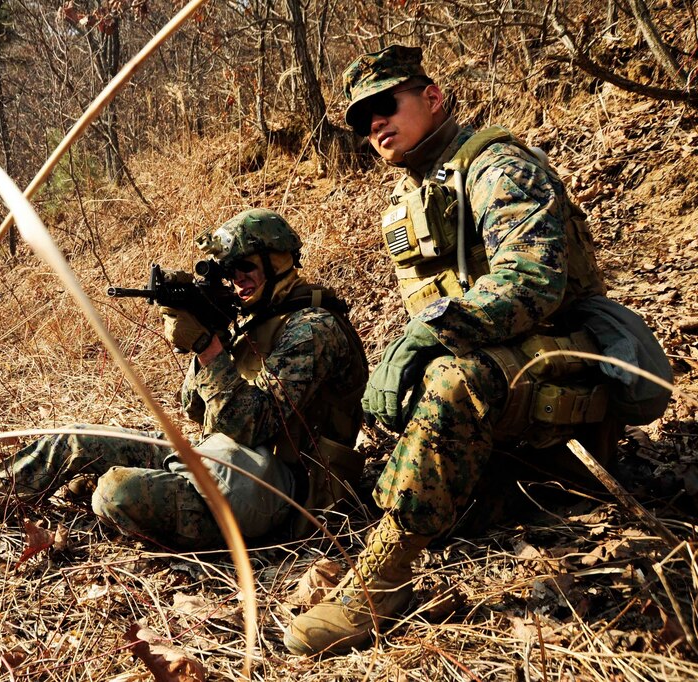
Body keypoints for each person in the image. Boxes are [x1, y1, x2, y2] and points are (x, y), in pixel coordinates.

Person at [284, 45, 673, 655]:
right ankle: (499, 490)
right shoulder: (419, 194)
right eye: (362, 121)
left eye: (385, 105)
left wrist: (428, 336)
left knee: (452, 380)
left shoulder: (497, 167)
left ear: (432, 98)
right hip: (511, 358)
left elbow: (532, 280)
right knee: (410, 384)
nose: (374, 125)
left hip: (573, 349)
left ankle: (383, 583)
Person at [0, 209, 369, 553]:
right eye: (229, 270)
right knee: (73, 441)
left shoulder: (312, 328)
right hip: (231, 462)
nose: (236, 279)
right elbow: (197, 412)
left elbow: (255, 424)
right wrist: (208, 338)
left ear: (278, 261)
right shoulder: (257, 317)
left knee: (114, 493)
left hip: (294, 492)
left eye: (245, 267)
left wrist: (209, 348)